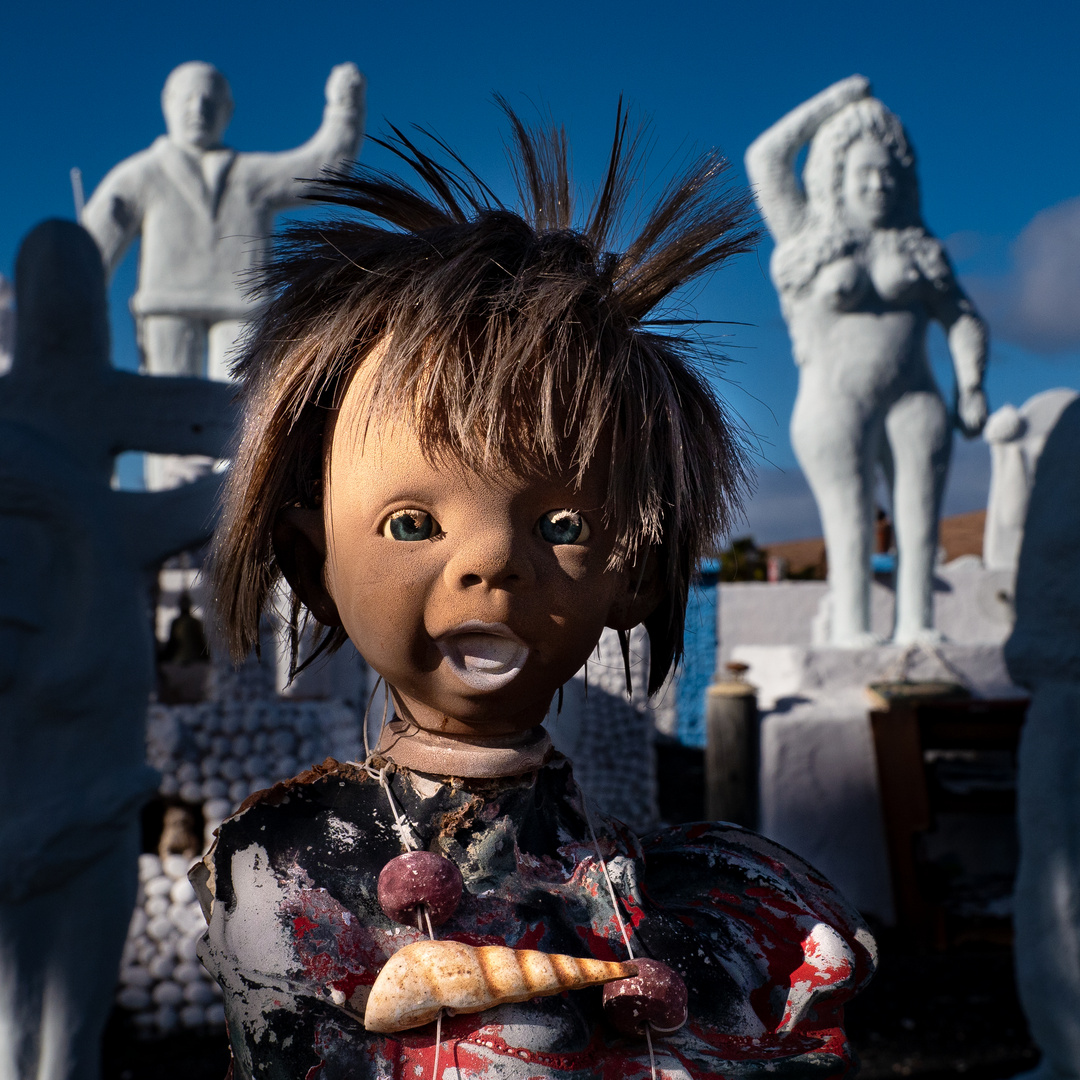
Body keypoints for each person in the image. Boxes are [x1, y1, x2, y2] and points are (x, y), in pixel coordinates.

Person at [193, 106, 876, 1079]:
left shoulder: (712, 899)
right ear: (316, 569)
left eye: (562, 526)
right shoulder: (291, 856)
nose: (491, 565)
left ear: (634, 571)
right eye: (411, 524)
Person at [745, 75, 988, 645]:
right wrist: (839, 100)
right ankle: (852, 631)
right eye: (864, 174)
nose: (879, 184)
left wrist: (970, 384)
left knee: (920, 526)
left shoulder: (920, 249)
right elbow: (766, 157)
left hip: (916, 397)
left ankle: (918, 627)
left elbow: (963, 317)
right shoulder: (806, 234)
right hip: (834, 402)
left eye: (889, 173)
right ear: (836, 179)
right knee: (851, 526)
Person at [82, 60, 365, 488]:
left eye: (210, 100)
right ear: (167, 105)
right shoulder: (144, 173)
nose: (198, 108)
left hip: (241, 306)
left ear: (228, 110)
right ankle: (171, 502)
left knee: (237, 409)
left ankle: (232, 502)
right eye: (187, 98)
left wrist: (344, 110)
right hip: (167, 309)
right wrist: (75, 290)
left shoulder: (249, 175)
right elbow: (93, 240)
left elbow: (323, 168)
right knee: (168, 407)